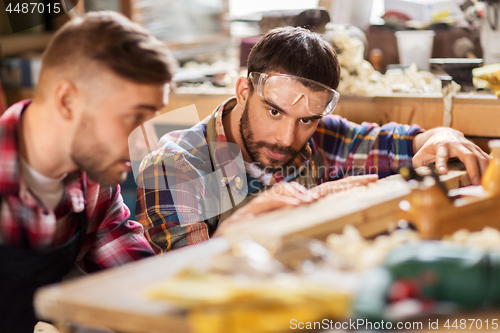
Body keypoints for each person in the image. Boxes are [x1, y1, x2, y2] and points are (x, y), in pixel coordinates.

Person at [135, 26, 490, 254]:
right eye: (274, 112)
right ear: (243, 90)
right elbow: (186, 280)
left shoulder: (321, 136)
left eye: (306, 120)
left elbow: (398, 142)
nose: (287, 138)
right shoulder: (174, 166)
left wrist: (441, 134)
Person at [0, 11, 177, 333]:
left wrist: (222, 253)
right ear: (67, 100)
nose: (146, 145)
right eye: (134, 117)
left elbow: (141, 286)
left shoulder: (95, 183)